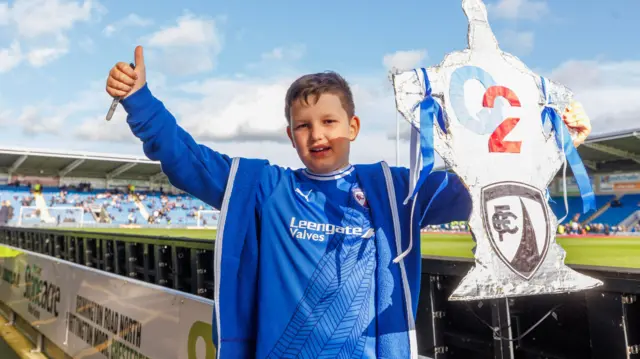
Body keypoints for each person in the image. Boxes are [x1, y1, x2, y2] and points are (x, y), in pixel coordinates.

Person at [106, 46, 592, 359]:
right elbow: (186, 160)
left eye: (329, 122)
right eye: (303, 125)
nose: (317, 134)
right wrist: (141, 101)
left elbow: (485, 190)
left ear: (353, 128)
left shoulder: (392, 189)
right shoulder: (265, 188)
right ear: (290, 135)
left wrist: (555, 143)